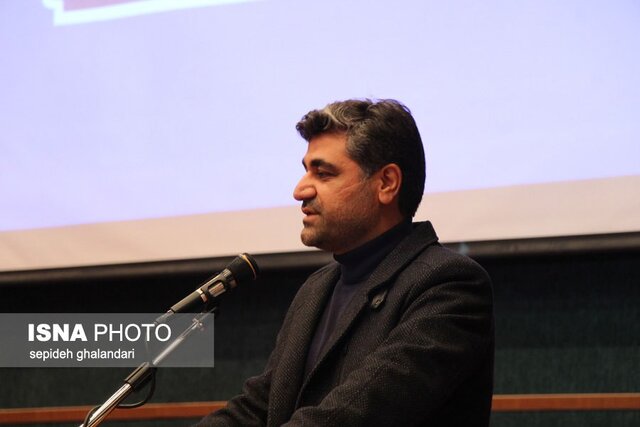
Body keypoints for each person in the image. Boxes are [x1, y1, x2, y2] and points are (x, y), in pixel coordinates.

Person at [196, 99, 494, 426]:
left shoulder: (449, 285)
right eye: (306, 170)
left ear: (386, 183)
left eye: (323, 173)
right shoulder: (316, 289)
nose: (299, 190)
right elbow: (258, 407)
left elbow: (355, 415)